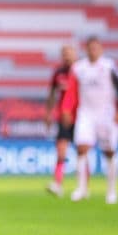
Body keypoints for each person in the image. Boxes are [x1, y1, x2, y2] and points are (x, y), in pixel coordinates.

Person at [62, 36, 118, 204]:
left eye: (96, 48)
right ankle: (82, 189)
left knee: (109, 152)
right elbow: (72, 91)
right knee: (81, 149)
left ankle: (111, 191)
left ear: (101, 50)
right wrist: (67, 109)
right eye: (90, 48)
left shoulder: (108, 66)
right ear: (86, 50)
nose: (93, 51)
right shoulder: (79, 68)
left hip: (106, 113)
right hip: (86, 113)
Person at [44, 43, 77, 197]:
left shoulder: (82, 72)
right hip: (63, 116)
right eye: (64, 53)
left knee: (82, 151)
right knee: (61, 149)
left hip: (81, 116)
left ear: (75, 54)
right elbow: (52, 93)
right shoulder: (58, 73)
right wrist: (49, 113)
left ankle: (83, 186)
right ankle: (57, 183)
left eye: (69, 53)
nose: (67, 56)